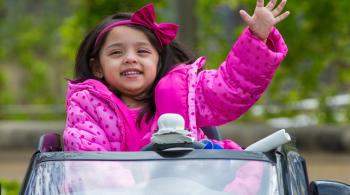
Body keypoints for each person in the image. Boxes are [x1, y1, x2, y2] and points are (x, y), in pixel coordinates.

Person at [63, 0, 289, 151]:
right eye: (116, 53)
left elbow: (230, 85)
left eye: (142, 51)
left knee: (247, 177)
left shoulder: (182, 90)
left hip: (194, 185)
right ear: (97, 68)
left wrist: (256, 37)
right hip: (119, 191)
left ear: (158, 61)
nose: (130, 58)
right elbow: (89, 162)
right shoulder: (87, 104)